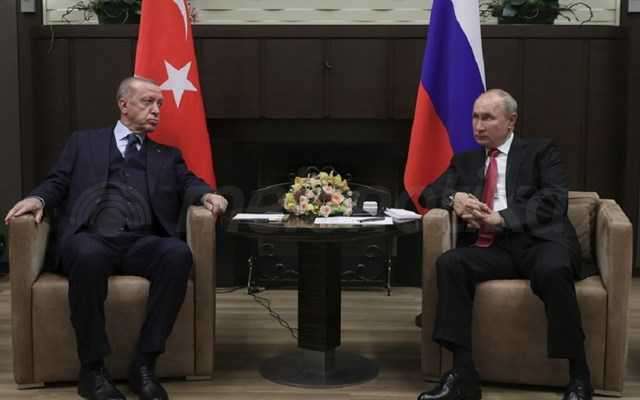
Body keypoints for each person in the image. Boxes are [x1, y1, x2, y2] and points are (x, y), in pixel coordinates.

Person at [4, 76, 227, 400]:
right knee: (88, 255)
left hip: (140, 242)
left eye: (160, 104)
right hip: (90, 238)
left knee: (177, 254)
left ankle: (144, 364)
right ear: (124, 104)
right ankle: (92, 370)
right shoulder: (83, 143)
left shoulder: (167, 155)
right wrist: (38, 199)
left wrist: (207, 195)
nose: (156, 110)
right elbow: (58, 181)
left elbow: (189, 182)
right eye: (148, 102)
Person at [417, 89, 592, 400]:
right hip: (494, 248)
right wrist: (453, 198)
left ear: (511, 121)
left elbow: (554, 200)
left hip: (539, 242)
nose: (478, 126)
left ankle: (579, 375)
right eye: (475, 117)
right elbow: (426, 193)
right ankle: (463, 375)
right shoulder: (465, 160)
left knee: (552, 271)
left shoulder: (540, 151)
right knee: (450, 264)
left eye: (487, 118)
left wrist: (503, 218)